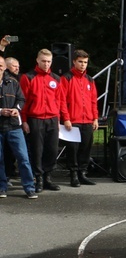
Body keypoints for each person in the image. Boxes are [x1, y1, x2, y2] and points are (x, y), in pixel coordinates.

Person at [20, 49, 71, 192]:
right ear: (37, 60)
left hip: (52, 119)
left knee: (52, 150)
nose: (46, 64)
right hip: (35, 119)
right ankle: (39, 179)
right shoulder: (28, 77)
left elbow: (60, 100)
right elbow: (23, 101)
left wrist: (62, 119)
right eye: (43, 61)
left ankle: (48, 177)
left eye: (49, 61)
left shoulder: (56, 78)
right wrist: (24, 121)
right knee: (37, 150)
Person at [60, 50, 99, 187]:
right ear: (74, 62)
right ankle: (73, 175)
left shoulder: (89, 79)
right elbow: (62, 100)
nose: (83, 65)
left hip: (87, 119)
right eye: (80, 62)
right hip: (73, 120)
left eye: (85, 62)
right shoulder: (67, 78)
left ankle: (82, 173)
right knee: (73, 149)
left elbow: (93, 100)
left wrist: (95, 118)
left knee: (86, 148)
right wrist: (66, 118)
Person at [0, 57, 37, 199]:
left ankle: (29, 187)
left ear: (5, 67)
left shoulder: (13, 82)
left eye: (1, 65)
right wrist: (0, 111)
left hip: (14, 125)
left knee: (23, 157)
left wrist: (16, 109)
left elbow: (21, 99)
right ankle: (2, 187)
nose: (0, 68)